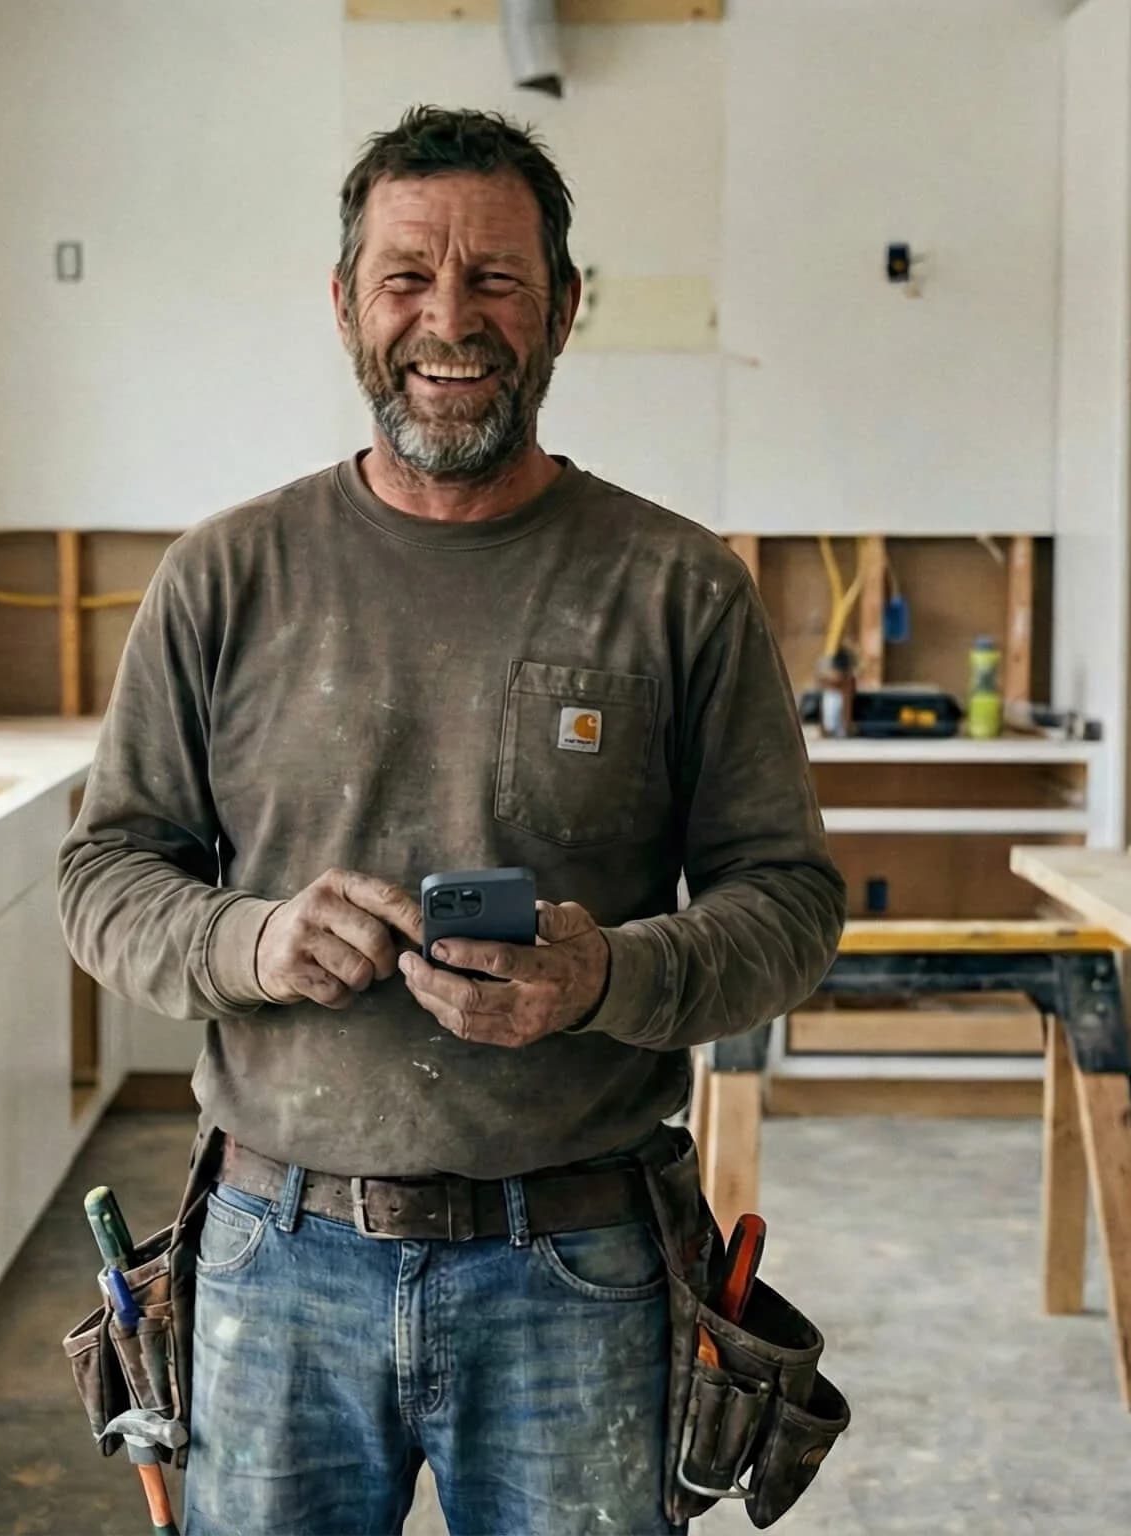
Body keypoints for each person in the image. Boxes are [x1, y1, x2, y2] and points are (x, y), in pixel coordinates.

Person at [59, 104, 847, 1535]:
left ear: (563, 309)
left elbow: (788, 906)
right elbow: (104, 874)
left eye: (495, 279)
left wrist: (603, 976)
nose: (449, 319)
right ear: (345, 303)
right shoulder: (224, 577)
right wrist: (251, 942)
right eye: (407, 277)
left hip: (581, 1268)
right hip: (272, 1264)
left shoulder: (677, 588)